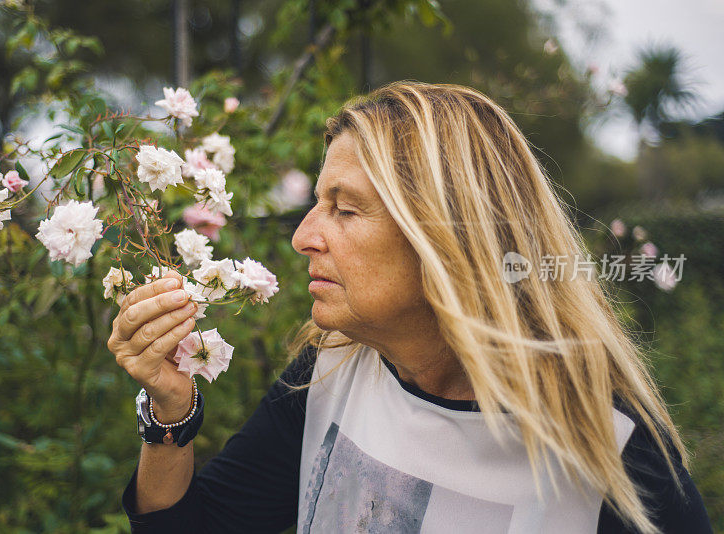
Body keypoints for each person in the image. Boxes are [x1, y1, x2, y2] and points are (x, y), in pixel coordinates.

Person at [108, 82, 713, 533]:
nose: (303, 237)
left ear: (446, 237)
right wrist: (170, 412)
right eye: (318, 203)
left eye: (345, 210)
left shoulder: (611, 447)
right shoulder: (332, 371)